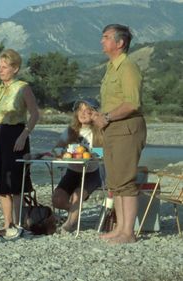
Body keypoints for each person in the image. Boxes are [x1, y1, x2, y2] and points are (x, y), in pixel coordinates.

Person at [92, 24, 147, 244]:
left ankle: (128, 232)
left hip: (126, 128)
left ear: (120, 42)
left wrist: (106, 117)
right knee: (115, 181)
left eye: (105, 37)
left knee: (126, 180)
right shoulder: (110, 67)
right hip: (113, 128)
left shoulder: (128, 67)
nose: (101, 41)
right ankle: (120, 228)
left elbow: (132, 103)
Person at [0, 48, 40, 237]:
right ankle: (7, 224)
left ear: (15, 68)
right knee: (1, 183)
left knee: (15, 182)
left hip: (17, 134)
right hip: (0, 135)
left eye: (5, 67)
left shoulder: (23, 87)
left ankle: (17, 223)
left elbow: (35, 114)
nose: (0, 70)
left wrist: (24, 135)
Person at [52, 98, 103, 232]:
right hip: (72, 172)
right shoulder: (71, 131)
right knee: (57, 199)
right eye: (80, 110)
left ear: (95, 114)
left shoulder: (100, 131)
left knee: (77, 194)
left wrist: (91, 154)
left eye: (88, 110)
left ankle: (69, 225)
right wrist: (60, 152)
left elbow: (105, 151)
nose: (83, 113)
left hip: (91, 173)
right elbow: (58, 148)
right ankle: (73, 212)